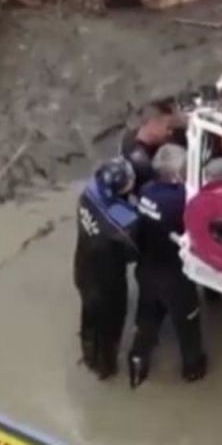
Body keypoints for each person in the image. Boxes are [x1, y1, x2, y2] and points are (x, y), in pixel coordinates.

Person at [128, 144, 208, 388]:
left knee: (147, 320)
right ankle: (193, 369)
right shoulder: (183, 199)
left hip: (145, 270)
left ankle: (137, 366)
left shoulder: (145, 192)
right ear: (176, 174)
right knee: (187, 324)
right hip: (175, 276)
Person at [74, 157, 140, 380]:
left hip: (82, 269)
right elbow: (135, 252)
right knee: (110, 326)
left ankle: (88, 353)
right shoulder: (119, 222)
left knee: (88, 315)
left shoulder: (87, 194)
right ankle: (106, 368)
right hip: (107, 284)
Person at [121, 99, 186, 190]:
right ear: (152, 124)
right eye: (168, 127)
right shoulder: (141, 162)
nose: (170, 132)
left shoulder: (132, 137)